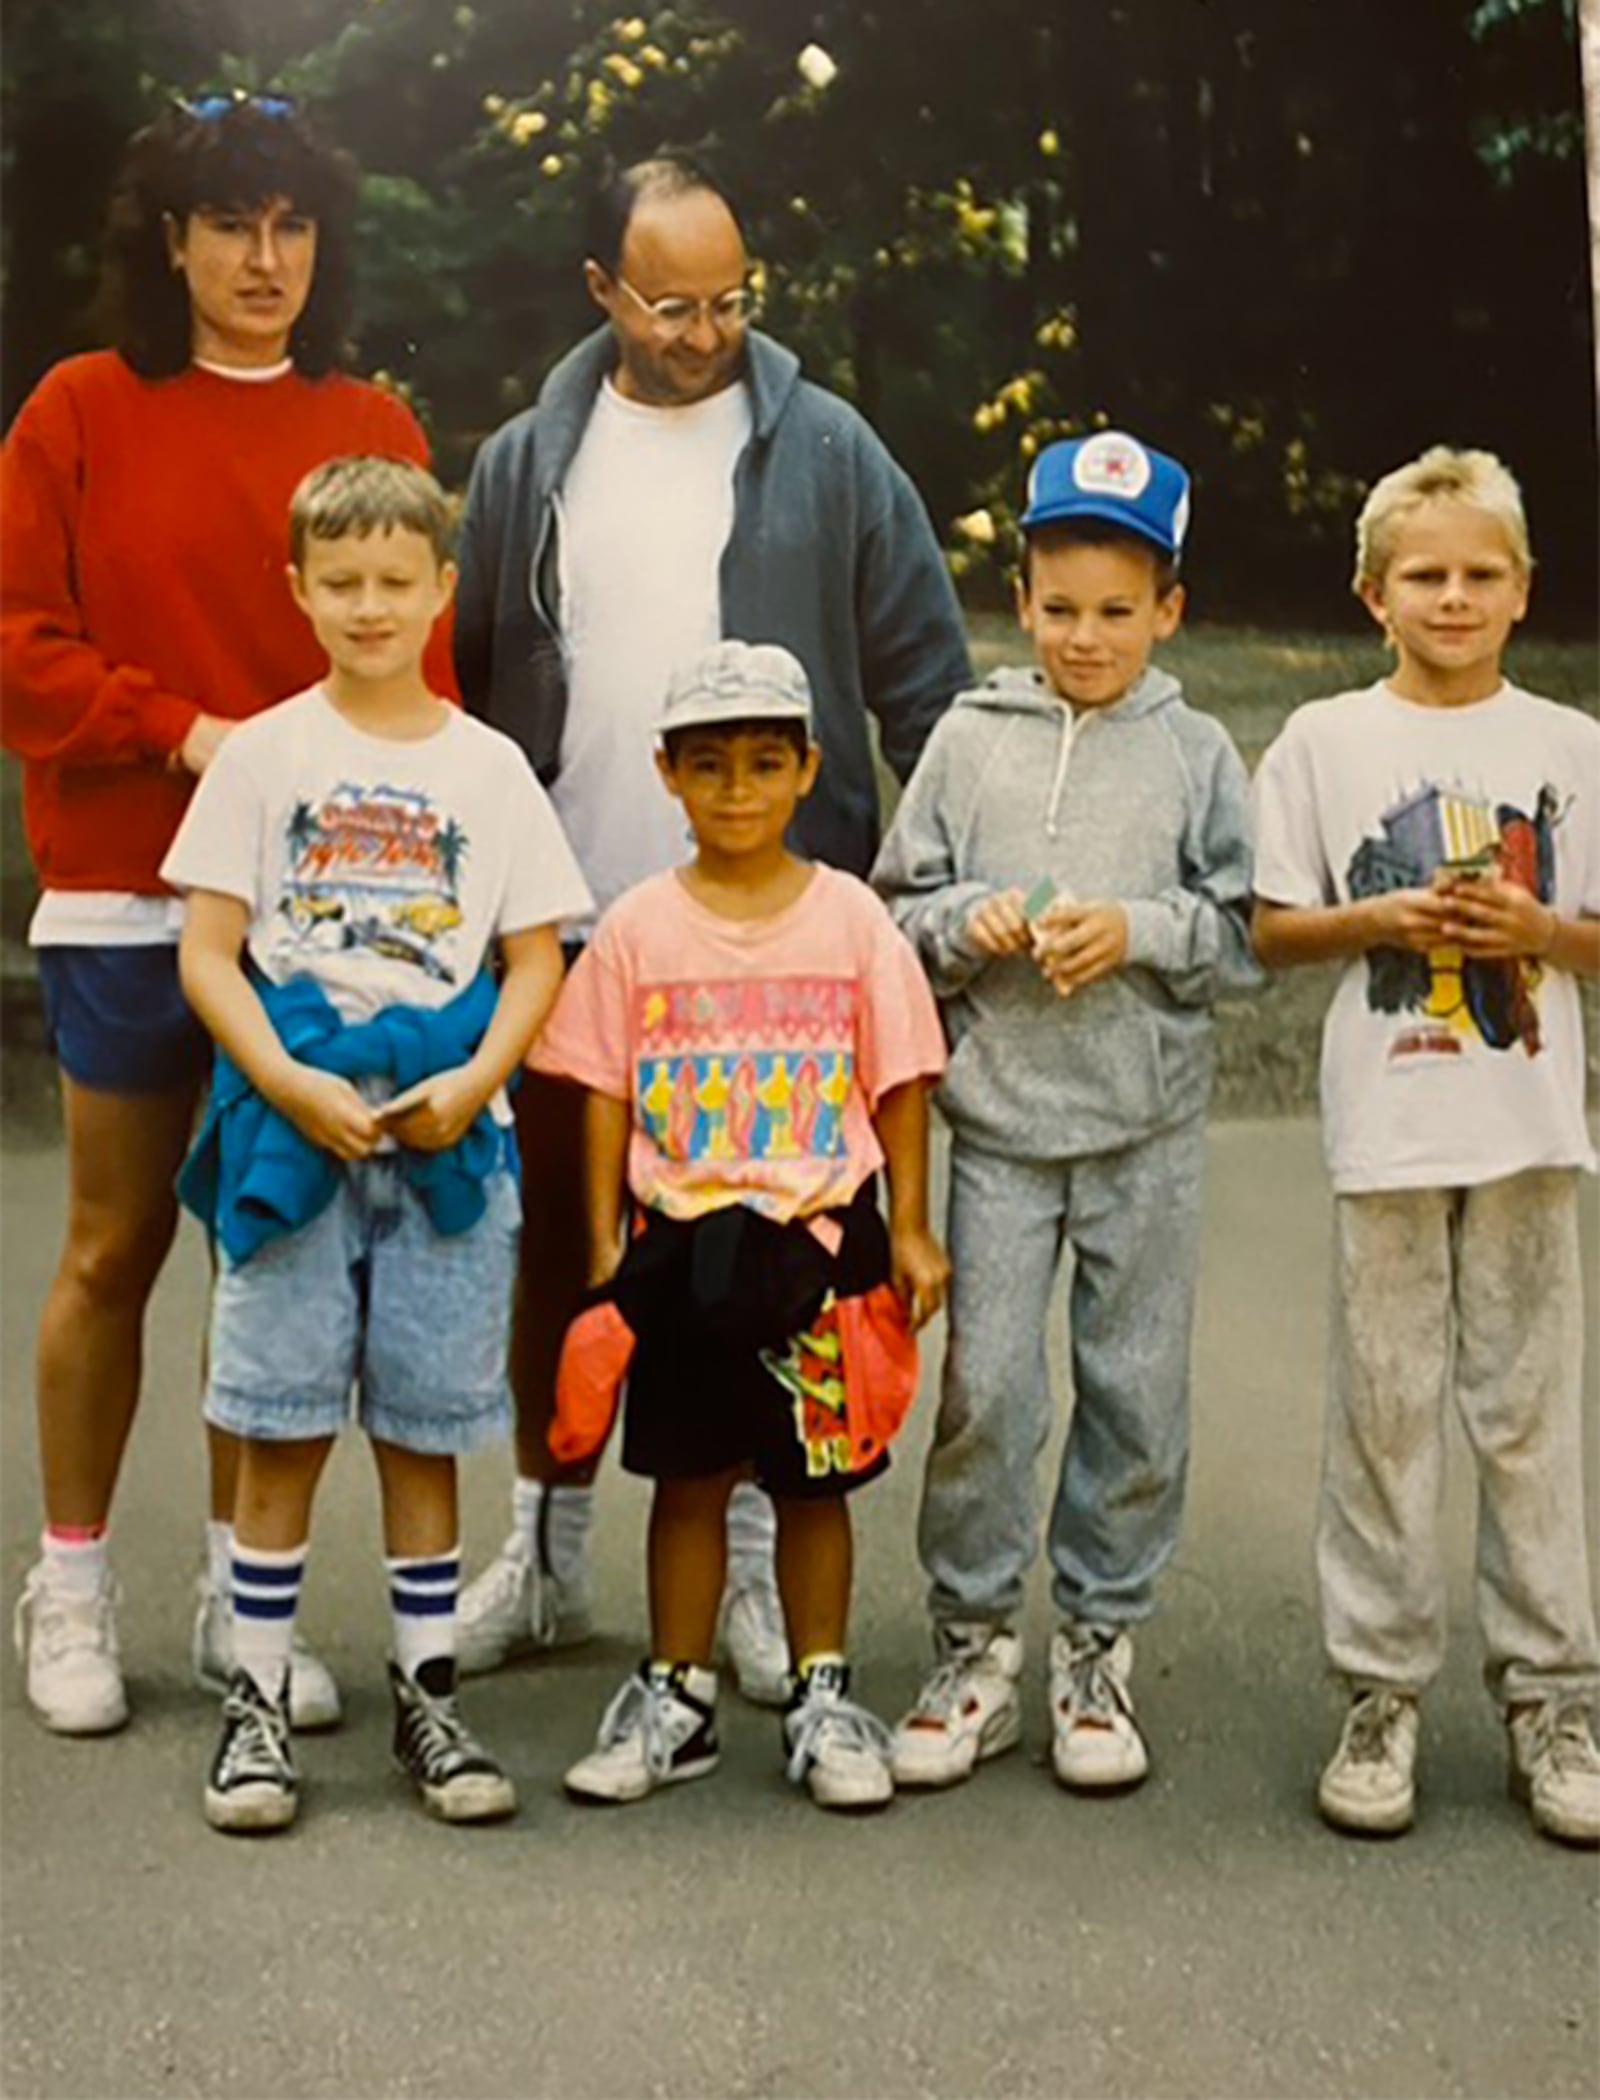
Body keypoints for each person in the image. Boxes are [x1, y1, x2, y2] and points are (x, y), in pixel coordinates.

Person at [452, 151, 971, 1701]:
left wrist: (899, 899)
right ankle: (543, 1556)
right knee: (575, 1249)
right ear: (603, 290)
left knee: (772, 1260)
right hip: (580, 932)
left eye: (731, 298)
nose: (704, 330)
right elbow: (477, 695)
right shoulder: (524, 461)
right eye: (670, 302)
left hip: (785, 951)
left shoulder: (825, 448)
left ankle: (750, 1581)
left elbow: (929, 684)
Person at [2, 93, 456, 1740]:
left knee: (258, 1251)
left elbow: (426, 670)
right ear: (171, 243)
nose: (264, 259)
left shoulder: (374, 422)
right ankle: (69, 1585)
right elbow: (16, 644)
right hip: (129, 895)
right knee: (115, 1246)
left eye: (291, 226)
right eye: (229, 226)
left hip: (327, 922)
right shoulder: (76, 409)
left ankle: (232, 1596)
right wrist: (183, 731)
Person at [161, 455, 590, 1832]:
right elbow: (210, 952)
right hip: (299, 1135)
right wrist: (281, 1078)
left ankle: (427, 1698)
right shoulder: (267, 756)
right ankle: (257, 1702)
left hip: (445, 1139)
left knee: (428, 1430)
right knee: (278, 1428)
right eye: (338, 583)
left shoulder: (488, 769)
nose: (367, 607)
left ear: (442, 592)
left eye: (395, 583)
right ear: (297, 590)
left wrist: (477, 1080)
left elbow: (534, 958)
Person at [873, 432, 1258, 1794]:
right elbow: (893, 912)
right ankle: (972, 1642)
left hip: (1143, 1128)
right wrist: (960, 926)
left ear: (1169, 609)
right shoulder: (968, 742)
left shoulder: (1198, 751)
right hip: (996, 1130)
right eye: (1059, 607)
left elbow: (1239, 935)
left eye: (1117, 611)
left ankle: (1099, 1641)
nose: (1085, 639)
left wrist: (1140, 929)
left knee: (1135, 1391)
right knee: (987, 1390)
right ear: (1020, 599)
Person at [529, 639, 948, 1809]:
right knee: (691, 1478)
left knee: (814, 1483)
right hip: (683, 1244)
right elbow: (603, 1086)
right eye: (709, 767)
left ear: (809, 769)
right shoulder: (637, 929)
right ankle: (678, 1693)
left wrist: (910, 1228)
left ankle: (823, 1694)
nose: (737, 791)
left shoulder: (854, 920)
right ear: (666, 773)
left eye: (766, 764)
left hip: (819, 1240)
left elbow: (903, 1078)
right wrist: (610, 1245)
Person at [1251, 446, 1600, 1846]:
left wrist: (1542, 937)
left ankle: (1555, 1698)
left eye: (1479, 574)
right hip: (1388, 1128)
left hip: (1525, 1132)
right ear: (1371, 593)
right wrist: (1382, 922)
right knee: (1384, 1416)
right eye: (1424, 576)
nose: (1452, 597)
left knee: (1530, 1419)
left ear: (1522, 590)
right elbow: (1276, 928)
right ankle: (1382, 1692)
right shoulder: (1326, 742)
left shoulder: (1571, 748)